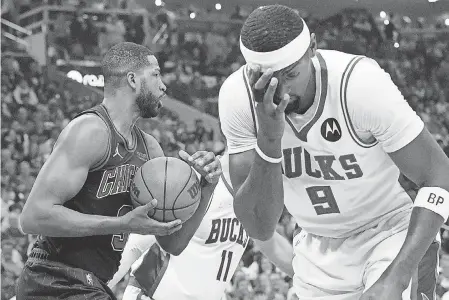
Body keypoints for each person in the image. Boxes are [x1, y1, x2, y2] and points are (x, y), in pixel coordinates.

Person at [218, 5, 449, 300]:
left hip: (390, 231)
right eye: (269, 79)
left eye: (290, 74)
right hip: (316, 244)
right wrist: (269, 138)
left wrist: (395, 279)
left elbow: (439, 175)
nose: (282, 91)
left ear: (313, 47)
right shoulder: (238, 98)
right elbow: (259, 226)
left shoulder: (359, 84)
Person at [16, 42, 222, 300]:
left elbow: (173, 243)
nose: (163, 85)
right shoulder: (91, 131)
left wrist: (204, 188)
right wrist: (120, 224)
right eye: (156, 74)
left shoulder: (150, 148)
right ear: (133, 80)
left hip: (92, 285)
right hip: (53, 278)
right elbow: (32, 218)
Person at [107, 151, 294, 300]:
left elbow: (271, 243)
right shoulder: (197, 179)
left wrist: (316, 276)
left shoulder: (253, 196)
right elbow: (138, 242)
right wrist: (98, 286)